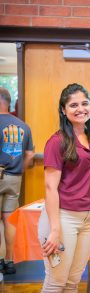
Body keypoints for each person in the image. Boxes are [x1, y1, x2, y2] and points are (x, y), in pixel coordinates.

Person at [38, 83, 90, 292]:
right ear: (63, 111)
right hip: (63, 218)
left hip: (89, 218)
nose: (80, 108)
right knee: (56, 282)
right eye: (73, 105)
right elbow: (50, 188)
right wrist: (54, 229)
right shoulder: (57, 142)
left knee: (72, 282)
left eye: (85, 103)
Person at [0, 87, 34, 274]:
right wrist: (20, 168)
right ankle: (10, 261)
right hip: (14, 177)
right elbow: (29, 154)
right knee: (9, 219)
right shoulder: (23, 126)